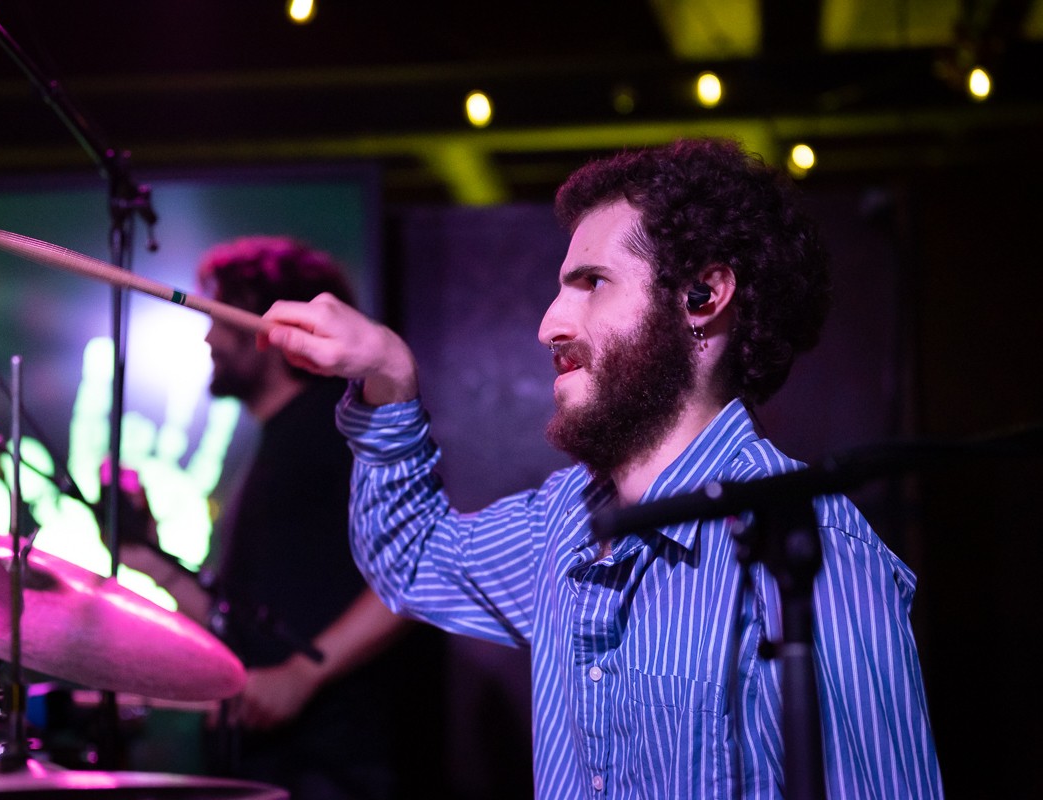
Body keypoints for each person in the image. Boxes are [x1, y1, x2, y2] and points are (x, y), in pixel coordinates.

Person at [256, 139, 944, 798]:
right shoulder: (565, 522)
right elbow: (411, 560)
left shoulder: (812, 545)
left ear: (703, 295)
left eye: (592, 283)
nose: (550, 323)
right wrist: (387, 376)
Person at [118, 236, 415, 799]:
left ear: (273, 330)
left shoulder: (337, 430)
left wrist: (304, 673)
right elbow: (245, 623)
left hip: (332, 763)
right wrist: (150, 563)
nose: (208, 337)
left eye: (219, 318)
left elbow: (417, 574)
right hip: (275, 760)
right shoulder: (276, 441)